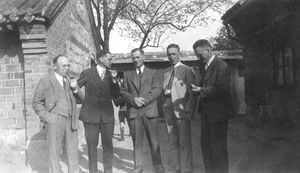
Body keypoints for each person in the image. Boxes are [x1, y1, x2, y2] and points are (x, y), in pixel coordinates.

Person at [32, 55, 84, 173]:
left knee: (73, 153)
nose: (67, 68)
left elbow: (82, 99)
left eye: (68, 65)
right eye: (63, 66)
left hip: (71, 122)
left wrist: (75, 88)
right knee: (54, 154)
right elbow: (36, 103)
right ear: (55, 67)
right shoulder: (45, 81)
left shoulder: (71, 80)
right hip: (55, 121)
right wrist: (48, 118)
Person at [191, 39, 233, 173]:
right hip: (206, 114)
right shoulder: (203, 66)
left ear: (208, 50)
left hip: (218, 115)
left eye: (199, 55)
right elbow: (201, 84)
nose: (198, 58)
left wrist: (200, 90)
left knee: (218, 150)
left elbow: (221, 89)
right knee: (206, 148)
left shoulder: (221, 66)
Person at [122, 48, 164, 173]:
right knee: (137, 143)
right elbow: (123, 91)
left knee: (154, 142)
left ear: (143, 57)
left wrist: (143, 100)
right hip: (134, 113)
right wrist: (133, 99)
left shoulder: (153, 72)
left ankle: (158, 168)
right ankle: (138, 168)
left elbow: (157, 90)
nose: (135, 60)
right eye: (133, 57)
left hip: (150, 112)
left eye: (138, 57)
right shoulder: (127, 74)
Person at [77, 51, 120, 173]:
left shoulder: (111, 75)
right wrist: (83, 100)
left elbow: (116, 95)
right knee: (91, 147)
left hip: (107, 116)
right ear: (101, 59)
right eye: (109, 59)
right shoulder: (87, 73)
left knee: (108, 146)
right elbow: (76, 88)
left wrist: (115, 80)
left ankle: (108, 171)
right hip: (90, 116)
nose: (111, 62)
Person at [162, 44, 196, 173]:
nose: (171, 57)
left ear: (179, 54)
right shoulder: (167, 73)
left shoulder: (187, 70)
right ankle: (177, 168)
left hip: (181, 110)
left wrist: (189, 110)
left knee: (184, 142)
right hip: (168, 110)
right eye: (169, 54)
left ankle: (187, 168)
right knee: (172, 141)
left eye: (173, 54)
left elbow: (192, 92)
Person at [114, 72, 127, 141]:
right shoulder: (127, 85)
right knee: (130, 121)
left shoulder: (119, 87)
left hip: (122, 108)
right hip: (128, 107)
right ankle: (131, 133)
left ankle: (122, 136)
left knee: (122, 122)